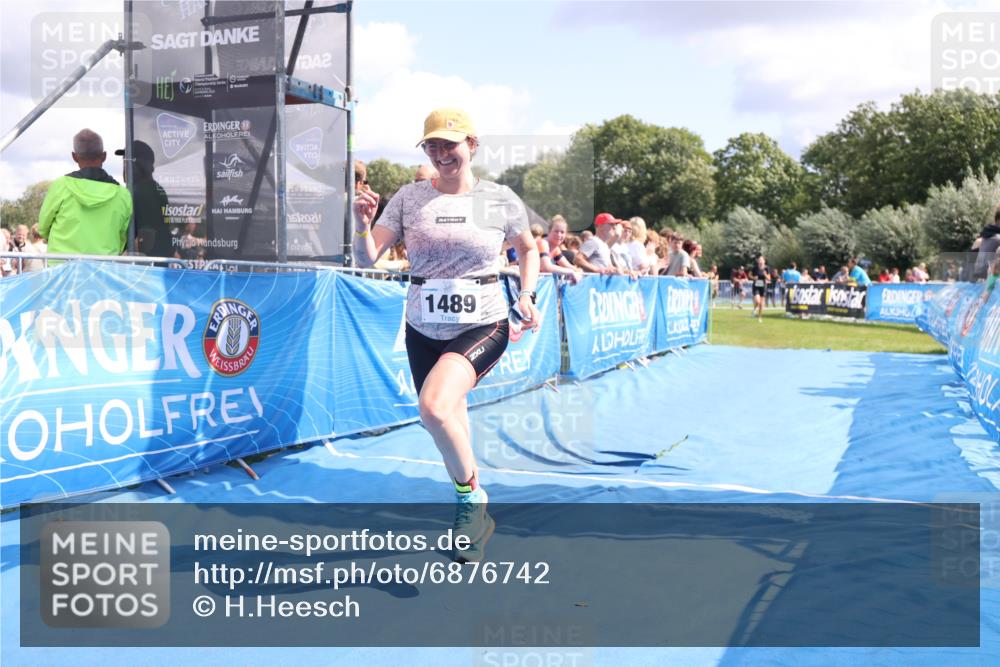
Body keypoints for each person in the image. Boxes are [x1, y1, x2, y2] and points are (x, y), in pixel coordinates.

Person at [351, 108, 540, 562]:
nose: (440, 154)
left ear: (471, 145)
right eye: (432, 146)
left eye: (449, 145)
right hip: (422, 326)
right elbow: (367, 259)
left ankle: (471, 499)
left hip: (483, 321)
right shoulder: (408, 198)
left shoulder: (498, 198)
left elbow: (528, 248)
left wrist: (528, 294)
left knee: (433, 408)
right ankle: (475, 521)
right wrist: (362, 223)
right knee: (451, 419)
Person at [38, 129, 132, 257]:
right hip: (104, 269)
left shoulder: (60, 186)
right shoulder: (123, 195)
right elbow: (122, 236)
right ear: (104, 156)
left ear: (74, 156)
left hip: (63, 269)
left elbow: (43, 228)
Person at [116, 140, 173, 259]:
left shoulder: (143, 191)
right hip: (154, 263)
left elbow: (146, 237)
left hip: (144, 268)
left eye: (126, 160)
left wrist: (122, 259)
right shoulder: (153, 188)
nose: (124, 165)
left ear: (138, 165)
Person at [542, 216, 583, 283]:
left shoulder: (555, 249)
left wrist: (578, 270)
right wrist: (571, 272)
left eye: (562, 232)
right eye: (556, 231)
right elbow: (546, 267)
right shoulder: (543, 243)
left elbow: (568, 266)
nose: (559, 235)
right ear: (549, 232)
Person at [749, 255, 770, 322]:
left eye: (761, 260)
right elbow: (749, 274)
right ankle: (755, 309)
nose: (760, 261)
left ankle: (759, 317)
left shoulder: (767, 268)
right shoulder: (755, 268)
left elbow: (769, 278)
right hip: (756, 286)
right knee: (758, 301)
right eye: (759, 260)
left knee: (761, 304)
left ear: (764, 261)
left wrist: (765, 275)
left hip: (763, 287)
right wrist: (753, 278)